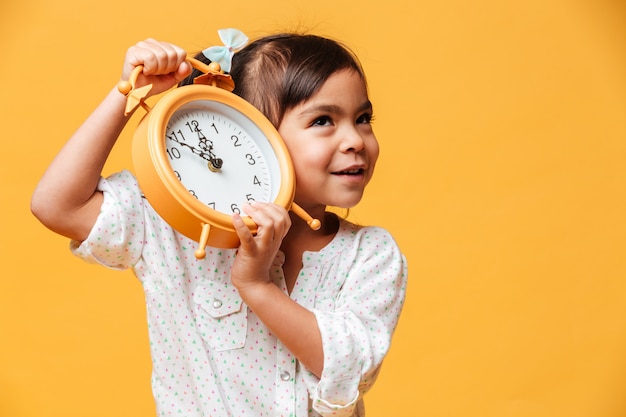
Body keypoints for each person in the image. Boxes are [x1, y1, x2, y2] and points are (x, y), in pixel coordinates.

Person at [31, 29, 407, 417]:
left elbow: (351, 367)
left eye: (363, 118)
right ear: (245, 133)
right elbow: (57, 206)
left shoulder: (372, 255)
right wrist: (125, 93)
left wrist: (257, 286)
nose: (356, 140)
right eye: (324, 120)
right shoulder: (174, 225)